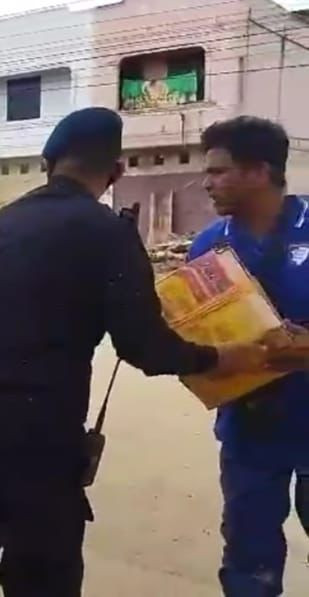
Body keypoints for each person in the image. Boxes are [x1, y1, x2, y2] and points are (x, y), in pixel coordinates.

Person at [0, 107, 269, 597]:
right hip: (37, 446)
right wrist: (222, 357)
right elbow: (144, 346)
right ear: (116, 171)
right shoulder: (108, 234)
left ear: (47, 162)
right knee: (43, 581)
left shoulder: (5, 222)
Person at [190, 116, 309, 597]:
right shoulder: (207, 246)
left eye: (219, 171)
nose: (207, 182)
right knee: (248, 561)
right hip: (248, 435)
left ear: (260, 171)